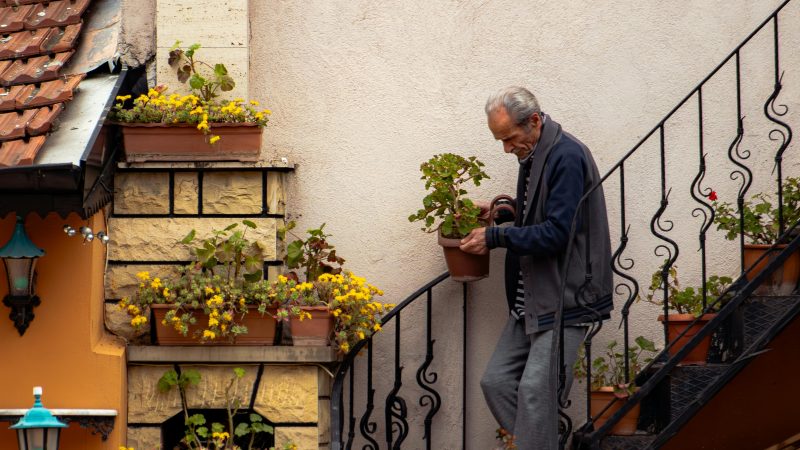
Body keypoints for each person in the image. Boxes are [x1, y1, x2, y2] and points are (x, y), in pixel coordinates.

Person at [459, 86, 613, 449]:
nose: (506, 148)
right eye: (501, 140)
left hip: (566, 298)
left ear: (533, 121)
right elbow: (543, 213)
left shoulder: (567, 156)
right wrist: (503, 212)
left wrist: (495, 236)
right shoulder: (534, 155)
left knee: (534, 391)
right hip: (532, 298)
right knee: (496, 382)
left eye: (509, 138)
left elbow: (557, 233)